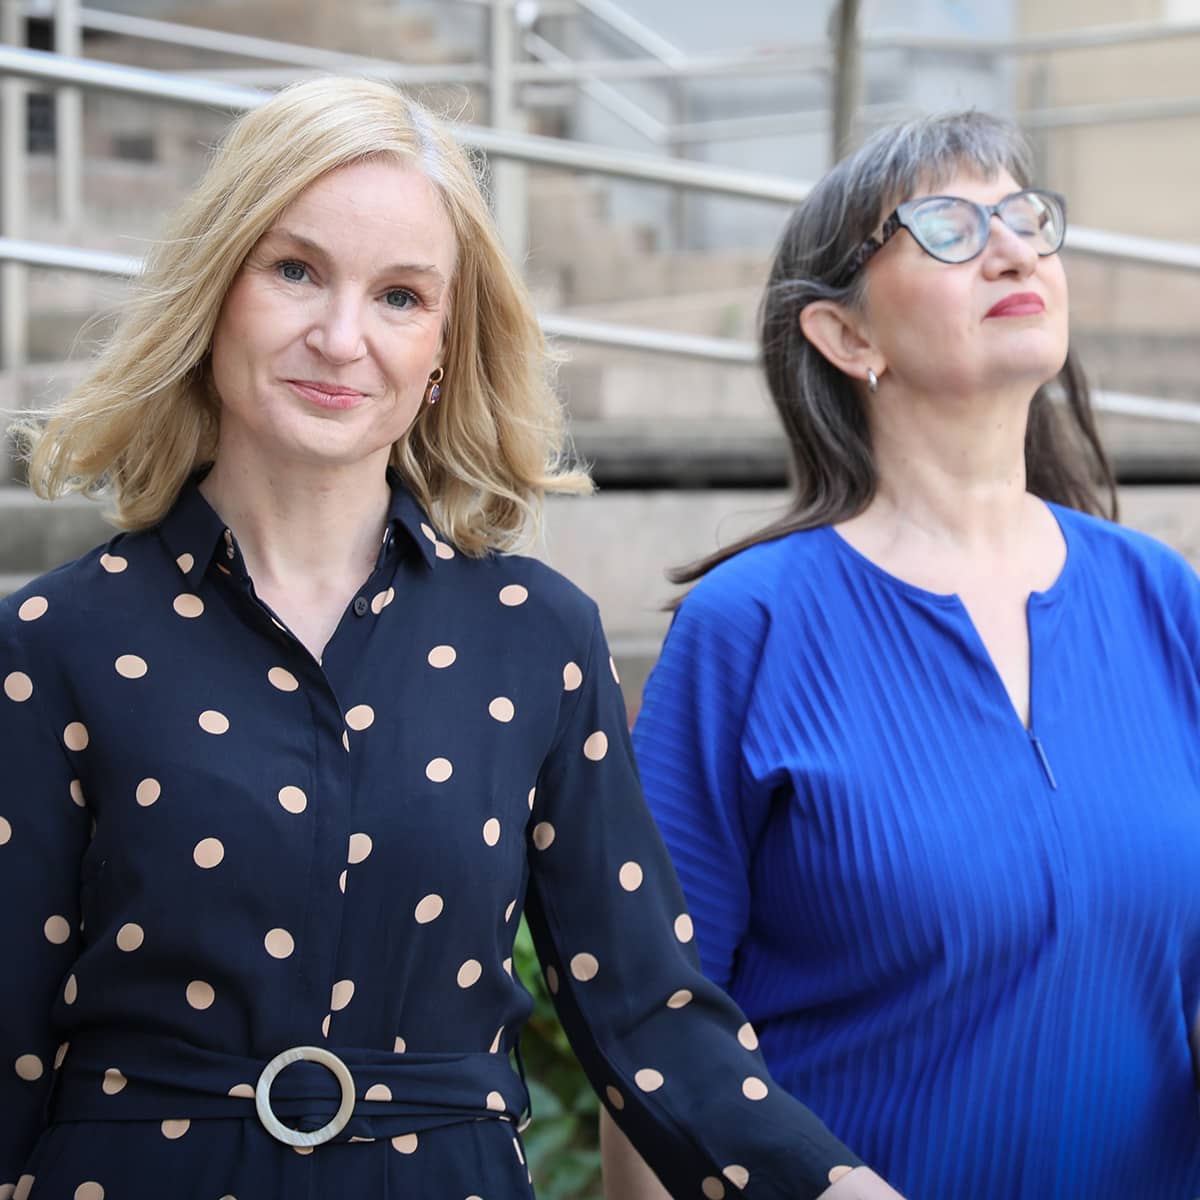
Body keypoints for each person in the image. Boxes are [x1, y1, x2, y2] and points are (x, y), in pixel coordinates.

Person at [0, 77, 908, 1200]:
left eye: (398, 296)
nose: (341, 338)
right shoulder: (52, 640)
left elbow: (646, 1013)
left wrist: (832, 1188)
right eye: (294, 271)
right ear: (215, 295)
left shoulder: (540, 637)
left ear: (441, 348)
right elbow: (7, 1040)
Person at [603, 110, 1200, 1199]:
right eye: (947, 225)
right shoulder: (749, 629)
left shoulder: (1164, 598)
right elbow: (657, 1042)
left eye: (1026, 218)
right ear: (845, 335)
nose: (1014, 248)